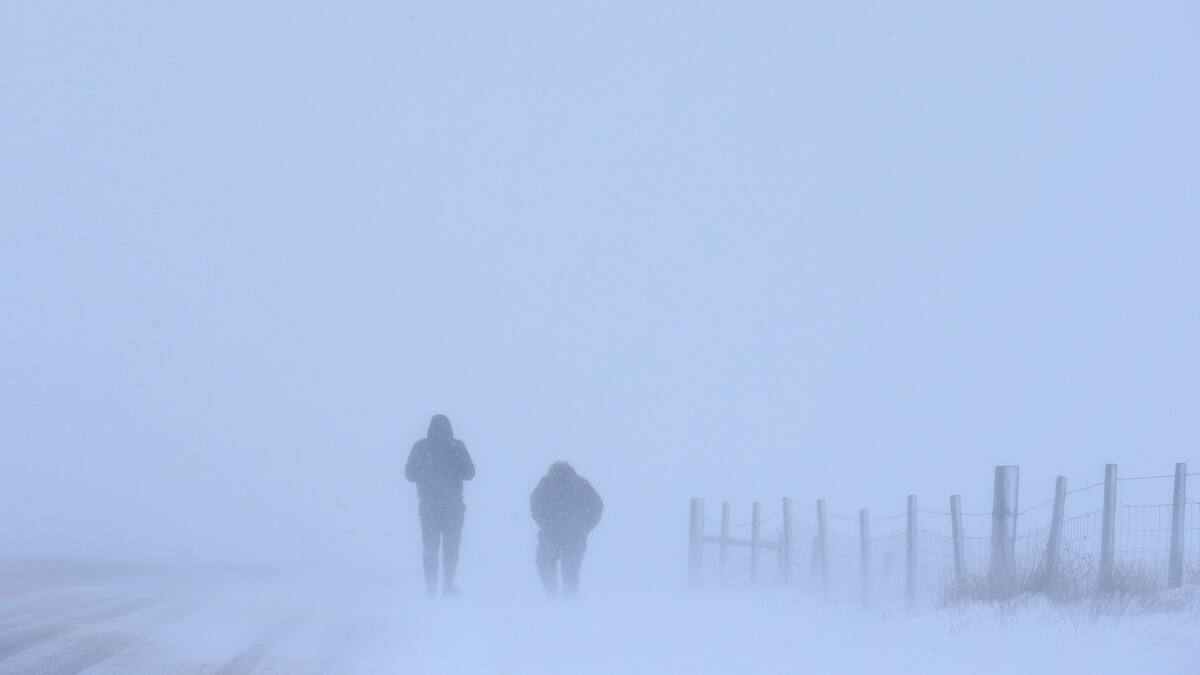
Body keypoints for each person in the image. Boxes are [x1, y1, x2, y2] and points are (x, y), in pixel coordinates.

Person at [406, 414, 475, 597]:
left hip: (428, 505)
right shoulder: (457, 446)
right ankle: (448, 585)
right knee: (451, 547)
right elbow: (470, 473)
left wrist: (426, 473)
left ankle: (430, 588)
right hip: (453, 505)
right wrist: (453, 470)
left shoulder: (421, 446)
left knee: (430, 547)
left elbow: (409, 474)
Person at [529, 461, 603, 598]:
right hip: (571, 533)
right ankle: (567, 596)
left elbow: (535, 505)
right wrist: (584, 527)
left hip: (557, 533)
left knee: (545, 559)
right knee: (570, 564)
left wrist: (545, 523)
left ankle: (553, 593)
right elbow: (597, 506)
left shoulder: (547, 484)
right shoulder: (581, 484)